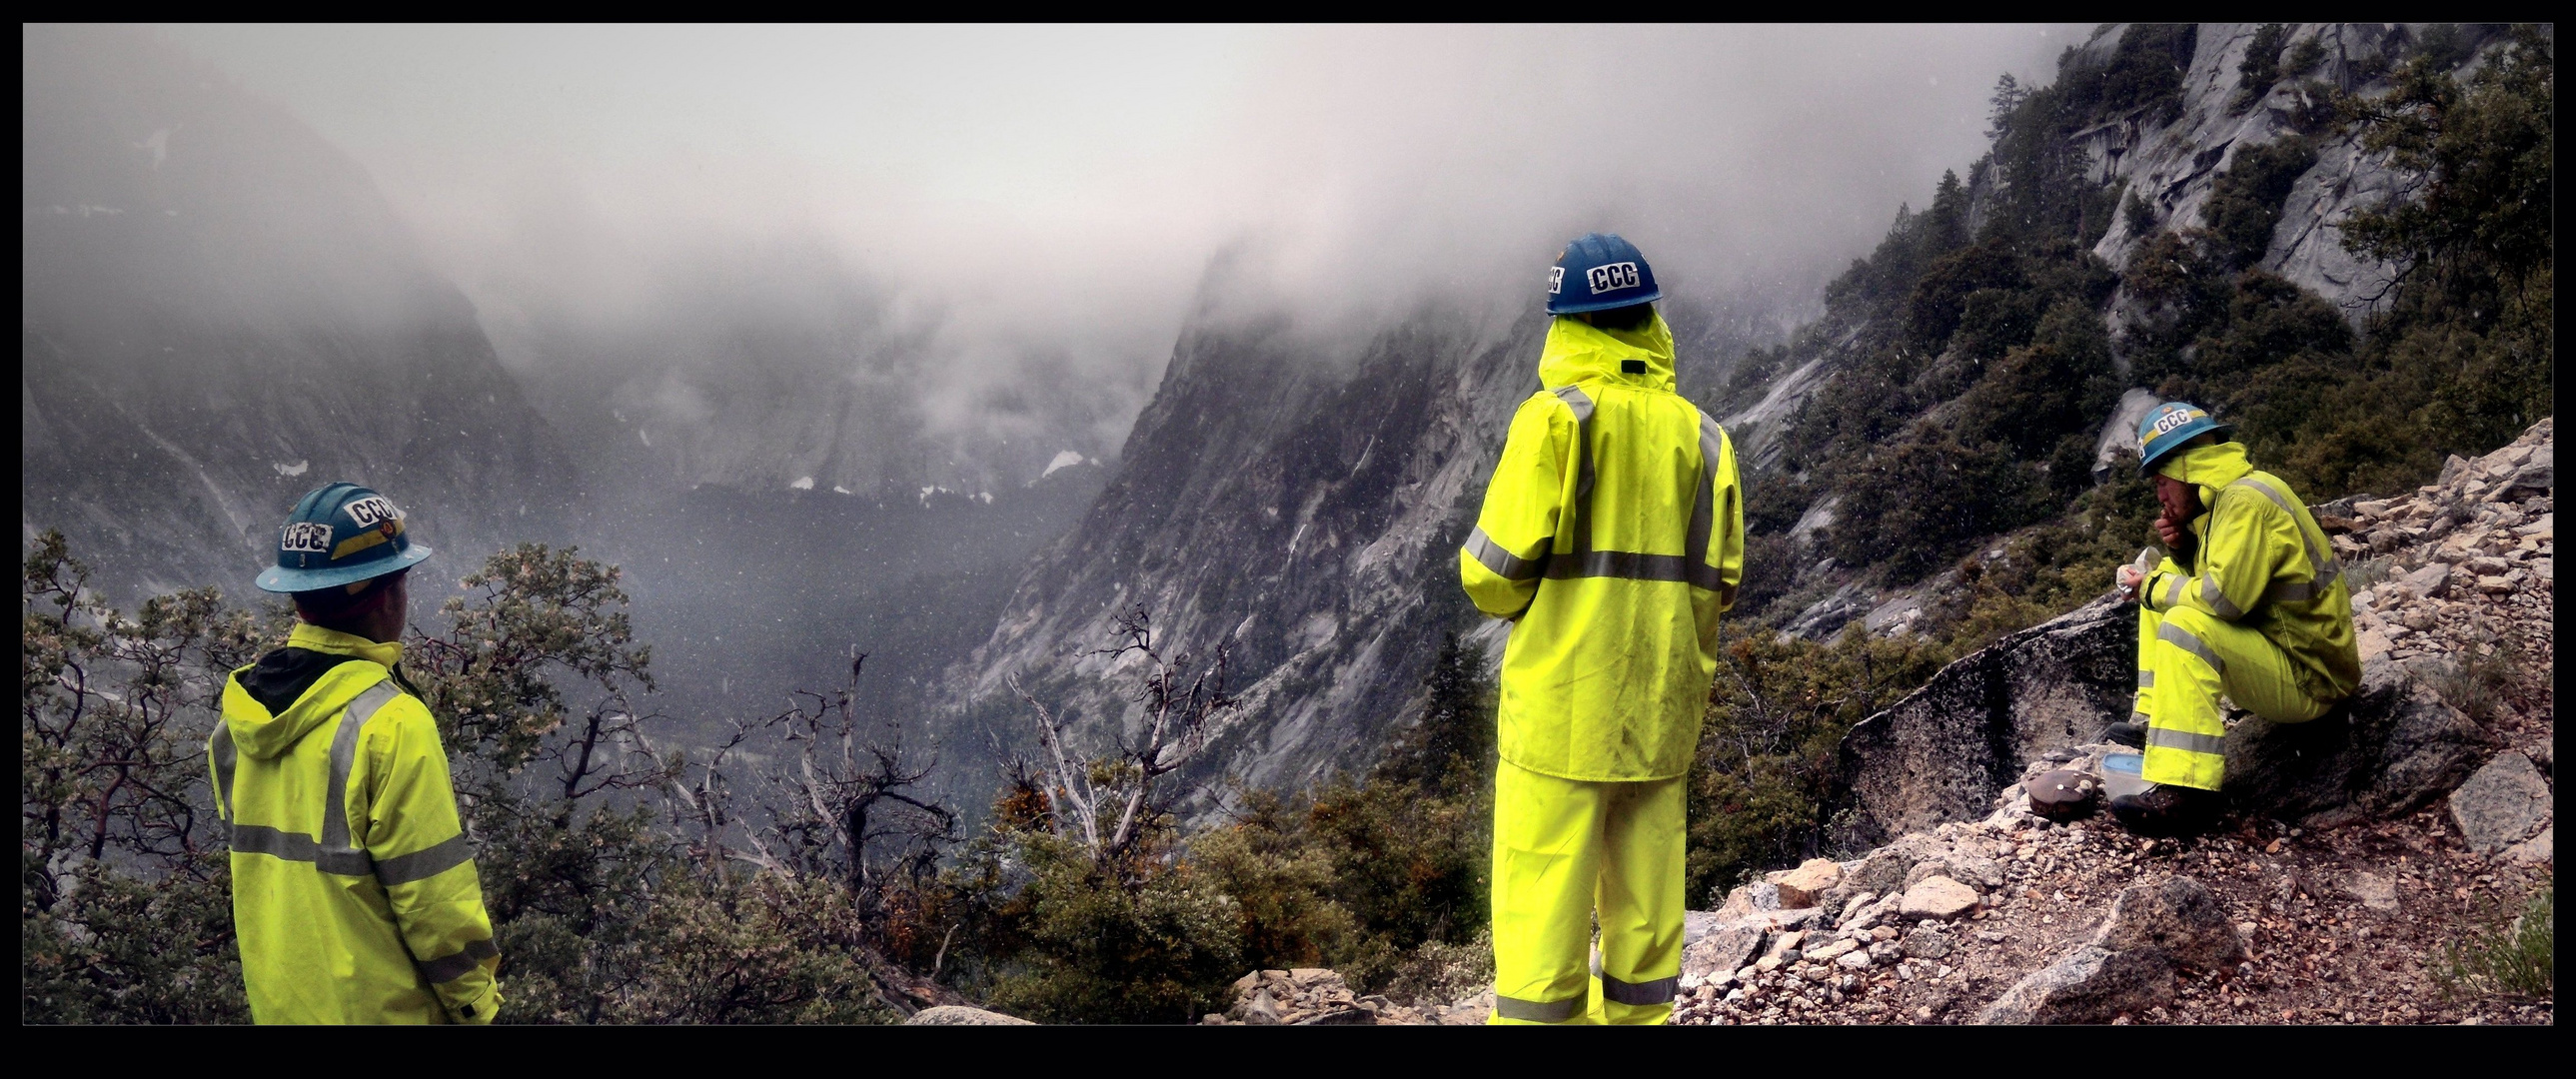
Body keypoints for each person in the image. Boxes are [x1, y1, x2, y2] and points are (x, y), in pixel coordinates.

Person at [1460, 233, 1745, 1024]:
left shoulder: (1556, 421)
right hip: (1659, 717)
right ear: (1649, 321)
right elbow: (1722, 584)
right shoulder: (1707, 437)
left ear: (1566, 325)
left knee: (1541, 929)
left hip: (1559, 717)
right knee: (1648, 932)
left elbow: (1491, 576)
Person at [213, 482, 503, 1023]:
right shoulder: (391, 722)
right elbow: (433, 901)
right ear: (389, 596)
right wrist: (476, 1005)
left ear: (296, 598)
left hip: (285, 1008)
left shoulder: (239, 714)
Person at [2107, 403, 2360, 836]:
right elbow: (2224, 584)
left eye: (2163, 483)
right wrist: (2184, 551)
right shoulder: (2230, 498)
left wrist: (2150, 587)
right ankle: (2153, 723)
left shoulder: (2242, 503)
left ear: (2191, 469)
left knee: (2178, 616)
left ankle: (2186, 793)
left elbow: (2222, 601)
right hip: (2287, 649)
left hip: (2311, 678)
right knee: (2164, 584)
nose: (2161, 497)